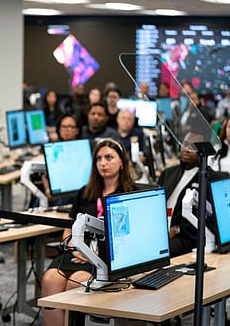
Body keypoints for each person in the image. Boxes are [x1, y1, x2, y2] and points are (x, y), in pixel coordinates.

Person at [41, 138, 139, 326]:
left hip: (107, 259)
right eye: (99, 159)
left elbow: (128, 235)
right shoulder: (85, 192)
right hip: (78, 253)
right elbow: (69, 224)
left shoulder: (130, 192)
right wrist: (73, 247)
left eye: (109, 157)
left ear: (122, 162)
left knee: (76, 283)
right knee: (50, 279)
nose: (103, 163)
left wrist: (94, 254)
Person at [157, 132, 228, 257]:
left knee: (159, 251)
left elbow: (206, 220)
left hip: (186, 237)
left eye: (193, 147)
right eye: (185, 144)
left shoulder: (210, 179)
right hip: (161, 229)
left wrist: (176, 230)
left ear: (204, 151)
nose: (186, 150)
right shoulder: (168, 173)